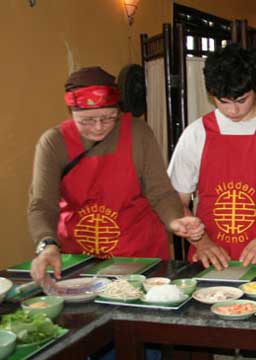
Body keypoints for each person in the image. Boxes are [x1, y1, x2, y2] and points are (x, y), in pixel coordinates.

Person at [28, 66, 204, 282]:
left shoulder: (138, 134)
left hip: (138, 255)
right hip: (80, 256)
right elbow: (42, 204)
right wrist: (47, 244)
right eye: (87, 120)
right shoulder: (53, 142)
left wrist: (174, 220)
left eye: (109, 117)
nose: (99, 127)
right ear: (71, 112)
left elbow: (160, 192)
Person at [168, 43, 256, 270]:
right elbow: (177, 199)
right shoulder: (196, 134)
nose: (233, 110)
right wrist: (200, 241)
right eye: (223, 102)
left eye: (242, 100)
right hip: (209, 258)